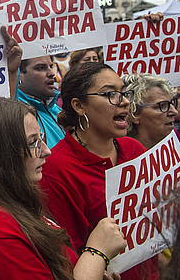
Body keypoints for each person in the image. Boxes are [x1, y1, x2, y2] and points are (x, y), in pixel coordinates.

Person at [0, 97, 125, 279]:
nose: (46, 150)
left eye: (41, 138)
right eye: (33, 142)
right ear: (0, 154)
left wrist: (91, 269)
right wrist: (96, 252)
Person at [40, 62, 159, 280]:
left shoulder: (135, 150)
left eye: (123, 93)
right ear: (79, 105)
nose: (123, 101)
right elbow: (64, 251)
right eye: (110, 94)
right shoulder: (56, 169)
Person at [17, 55, 64, 148]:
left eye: (51, 66)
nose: (51, 73)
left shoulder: (55, 108)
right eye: (41, 68)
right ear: (19, 74)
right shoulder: (17, 113)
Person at [124, 74, 178, 150]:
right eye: (162, 105)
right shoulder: (120, 159)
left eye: (172, 103)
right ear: (134, 114)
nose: (175, 112)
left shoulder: (176, 150)